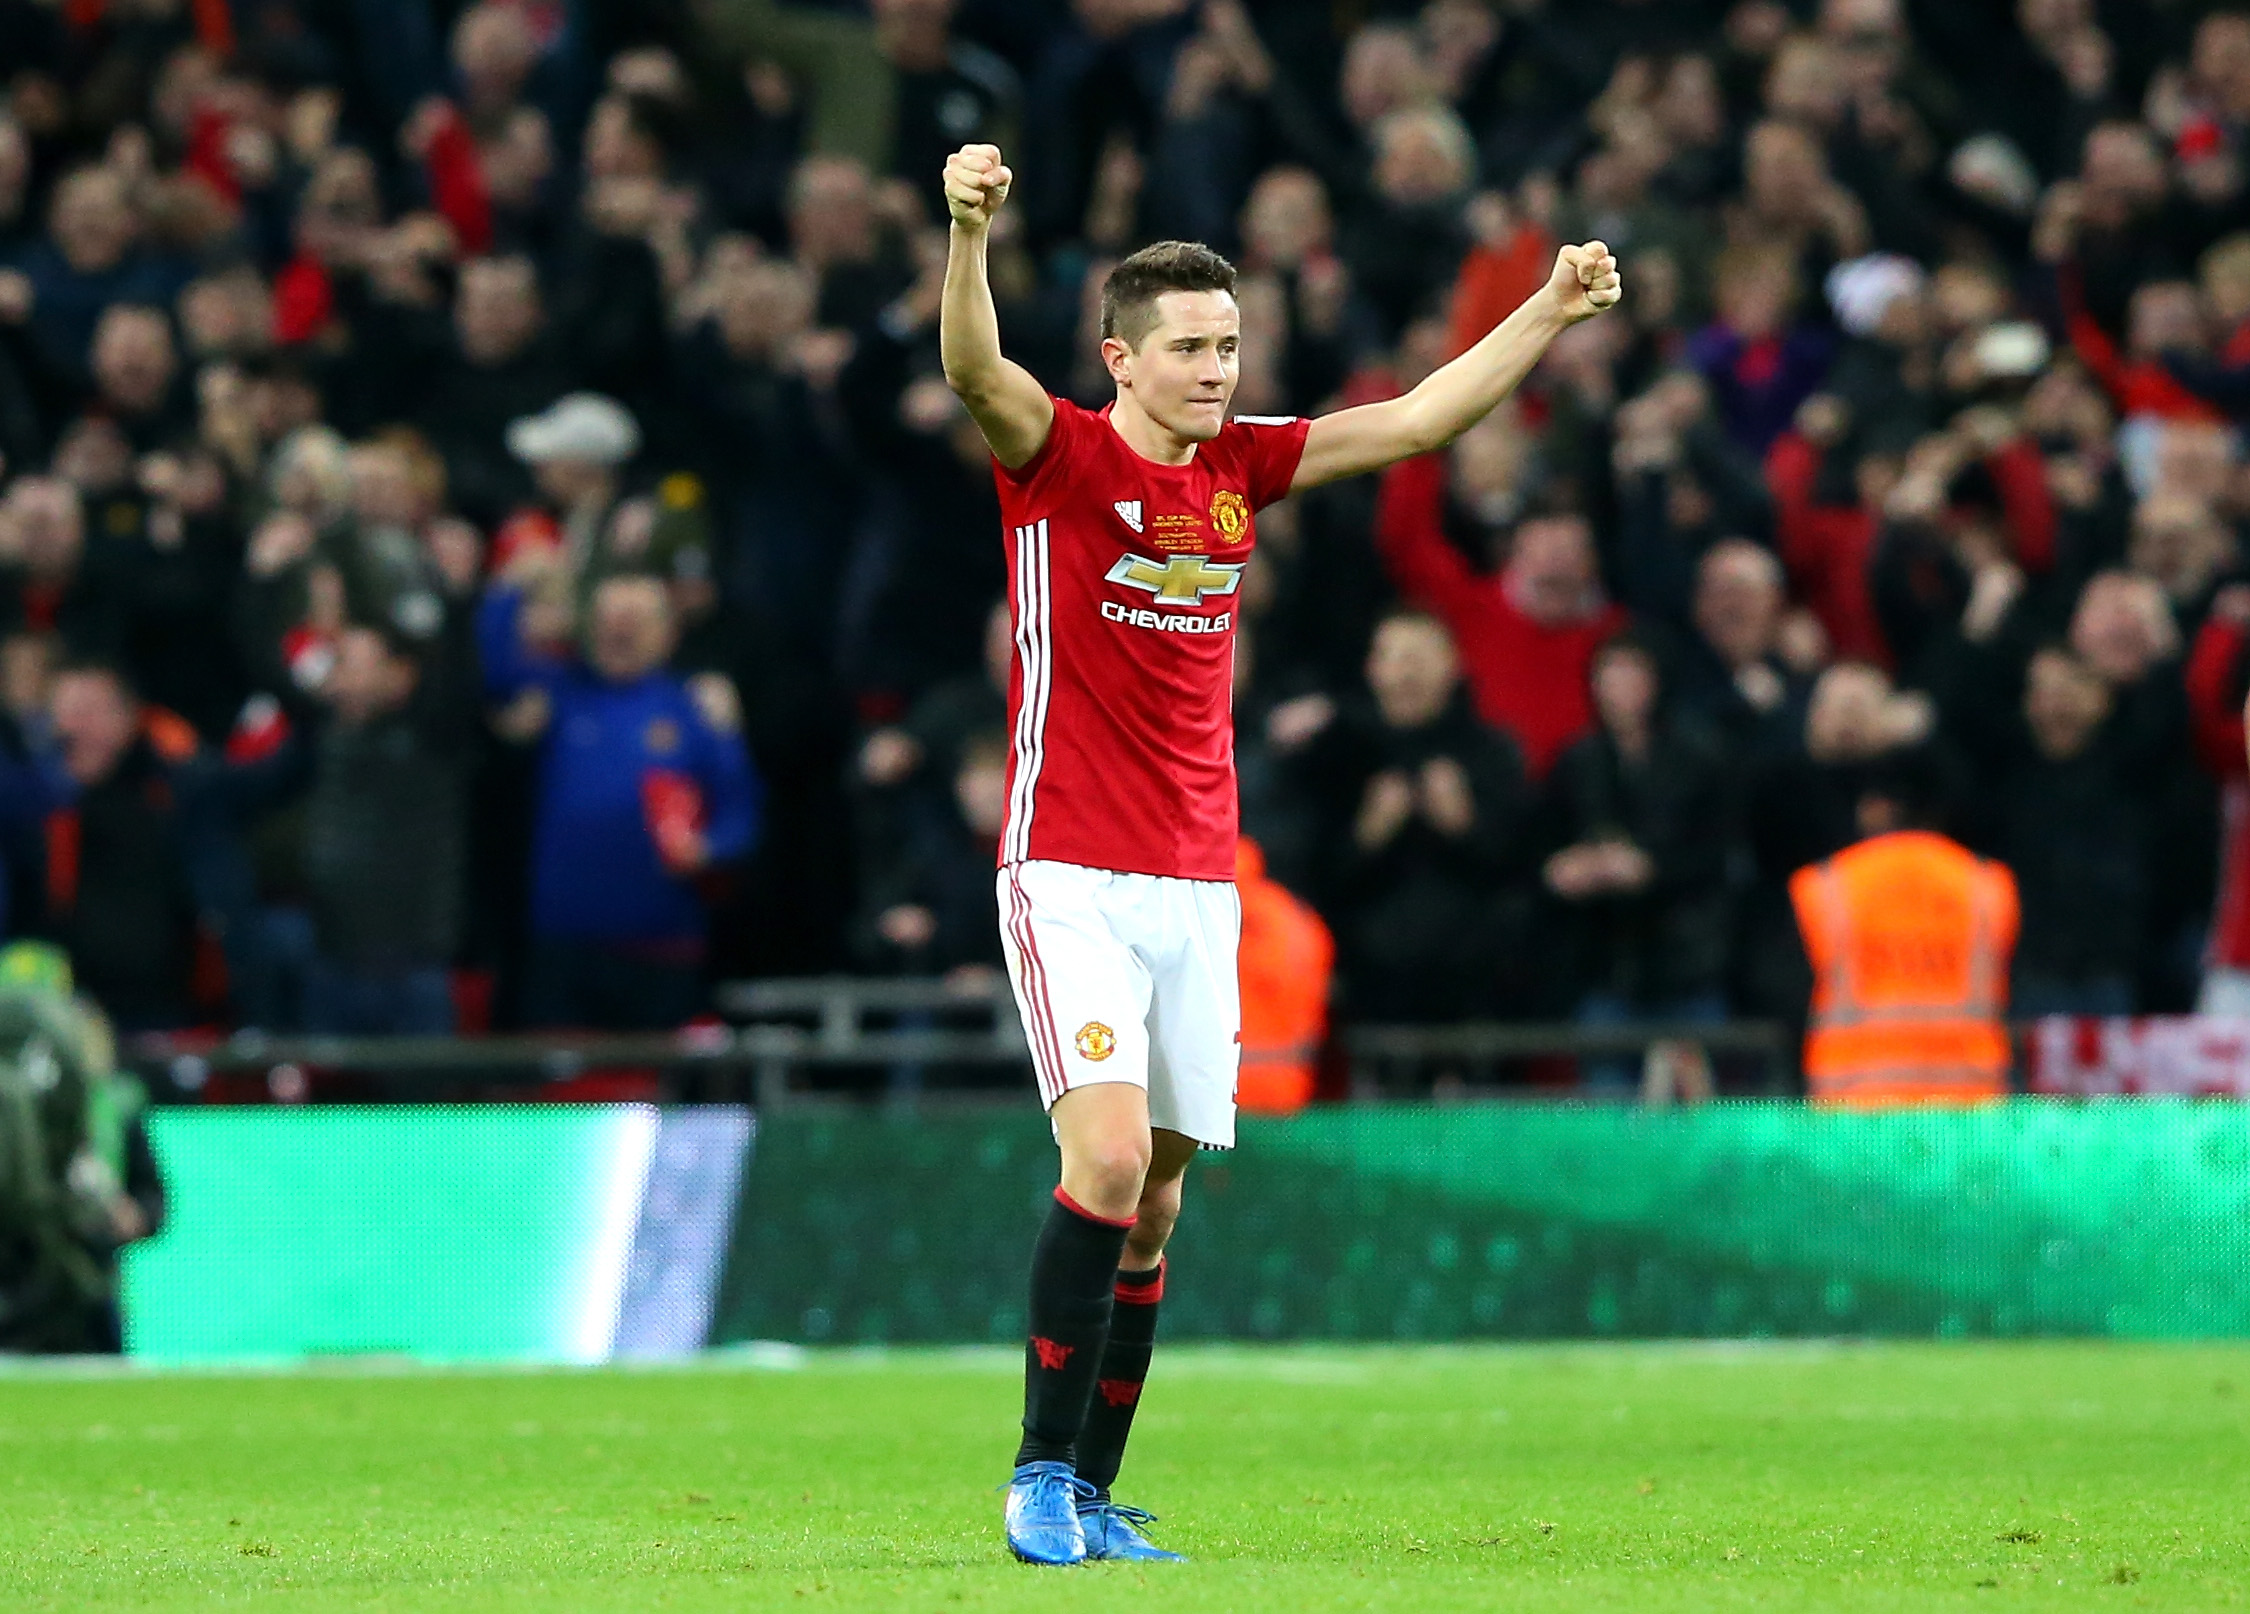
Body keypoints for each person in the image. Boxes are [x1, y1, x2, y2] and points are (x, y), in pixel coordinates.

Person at [936, 140, 1619, 1563]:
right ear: (1118, 358)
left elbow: (1424, 416)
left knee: (1159, 1198)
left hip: (1196, 877)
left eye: (1229, 344)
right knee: (1111, 1156)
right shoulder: (1056, 458)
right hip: (1065, 866)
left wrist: (1547, 308)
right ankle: (1034, 1477)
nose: (1215, 368)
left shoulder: (1246, 467)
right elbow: (972, 374)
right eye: (1187, 346)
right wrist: (967, 234)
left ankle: (1094, 1488)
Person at [478, 570, 761, 1030]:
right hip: (564, 944)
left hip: (662, 945)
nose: (619, 630)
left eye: (634, 618)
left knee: (654, 1092)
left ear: (667, 632)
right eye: (607, 618)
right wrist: (512, 589)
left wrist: (707, 849)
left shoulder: (694, 707)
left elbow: (741, 814)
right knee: (562, 1092)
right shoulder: (561, 695)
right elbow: (494, 670)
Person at [1789, 756, 2018, 1107]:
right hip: (1967, 1112)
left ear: (1877, 808)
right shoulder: (1988, 885)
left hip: (1856, 1113)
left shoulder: (1826, 885)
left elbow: (1792, 992)